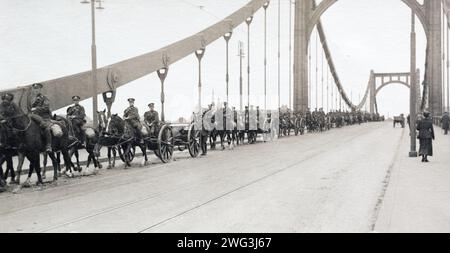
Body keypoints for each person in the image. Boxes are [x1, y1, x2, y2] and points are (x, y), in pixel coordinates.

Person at [27, 83, 53, 152]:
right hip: (34, 117)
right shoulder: (32, 99)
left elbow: (46, 108)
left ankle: (48, 145)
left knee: (46, 128)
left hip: (44, 117)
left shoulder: (45, 97)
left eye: (37, 88)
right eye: (35, 89)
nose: (36, 90)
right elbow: (29, 109)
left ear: (40, 89)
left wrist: (36, 109)